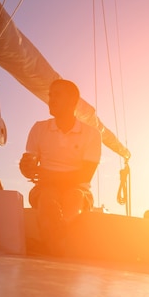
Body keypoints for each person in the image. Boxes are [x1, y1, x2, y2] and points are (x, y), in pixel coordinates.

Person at [19, 79, 101, 255]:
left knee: (74, 196)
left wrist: (46, 175)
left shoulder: (92, 134)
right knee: (48, 198)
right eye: (50, 95)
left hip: (78, 190)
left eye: (57, 95)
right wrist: (25, 166)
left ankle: (50, 243)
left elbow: (84, 177)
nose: (51, 99)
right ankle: (58, 244)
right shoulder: (39, 128)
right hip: (45, 189)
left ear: (73, 101)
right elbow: (29, 168)